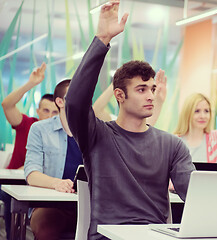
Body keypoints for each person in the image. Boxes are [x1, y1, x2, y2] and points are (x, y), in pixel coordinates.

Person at [65, 1, 195, 239]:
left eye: (152, 89)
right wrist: (102, 39)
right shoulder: (96, 135)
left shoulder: (172, 145)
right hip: (108, 236)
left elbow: (197, 195)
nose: (150, 96)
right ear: (119, 95)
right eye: (142, 89)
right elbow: (74, 102)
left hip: (154, 235)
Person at [0, 62, 58, 240]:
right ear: (38, 111)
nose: (49, 116)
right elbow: (7, 104)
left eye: (55, 112)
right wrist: (31, 83)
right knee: (13, 199)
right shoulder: (27, 124)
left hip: (42, 187)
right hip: (15, 185)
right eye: (46, 110)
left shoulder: (63, 134)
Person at [24, 79, 83, 240]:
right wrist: (57, 183)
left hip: (86, 206)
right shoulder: (40, 129)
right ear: (60, 102)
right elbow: (32, 174)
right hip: (50, 206)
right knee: (47, 227)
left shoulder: (92, 131)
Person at [173, 93, 217, 163]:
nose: (203, 116)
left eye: (206, 111)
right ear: (187, 113)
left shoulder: (216, 138)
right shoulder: (174, 142)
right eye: (197, 111)